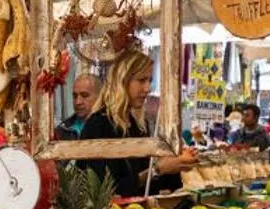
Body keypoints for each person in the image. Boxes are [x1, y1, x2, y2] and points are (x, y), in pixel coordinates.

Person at [76, 50, 191, 197]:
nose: (148, 89)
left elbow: (151, 186)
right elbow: (108, 191)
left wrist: (175, 166)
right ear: (122, 80)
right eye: (141, 80)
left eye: (150, 81)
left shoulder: (137, 125)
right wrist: (157, 169)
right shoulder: (98, 125)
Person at [52, 71, 99, 143]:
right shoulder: (62, 130)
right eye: (75, 96)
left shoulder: (111, 129)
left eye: (84, 95)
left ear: (99, 97)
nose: (78, 102)